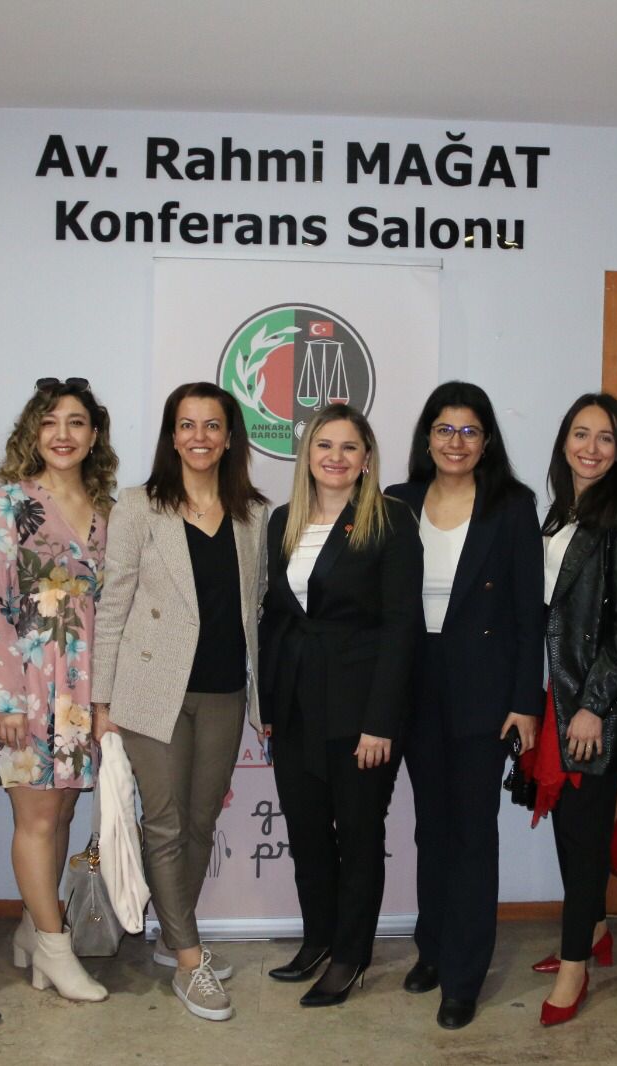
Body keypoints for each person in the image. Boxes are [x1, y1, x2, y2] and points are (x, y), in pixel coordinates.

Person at [92, 382, 269, 1022]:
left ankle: (173, 936)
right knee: (164, 824)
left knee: (199, 822)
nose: (200, 437)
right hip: (150, 690)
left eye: (212, 425)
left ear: (229, 437)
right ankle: (190, 961)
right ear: (172, 436)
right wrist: (101, 701)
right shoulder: (139, 506)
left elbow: (258, 606)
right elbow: (112, 604)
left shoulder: (253, 512)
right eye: (187, 425)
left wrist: (264, 697)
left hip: (225, 692)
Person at [384, 382, 542, 1030]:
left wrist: (525, 701)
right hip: (414, 681)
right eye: (445, 429)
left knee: (473, 832)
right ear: (427, 437)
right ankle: (433, 948)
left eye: (469, 430)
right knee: (431, 826)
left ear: (487, 440)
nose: (456, 442)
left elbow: (529, 611)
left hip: (484, 689)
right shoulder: (397, 502)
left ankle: (464, 975)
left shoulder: (513, 505)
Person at [259, 404, 423, 1008]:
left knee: (357, 835)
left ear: (367, 459)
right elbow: (276, 618)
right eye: (324, 445)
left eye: (349, 447)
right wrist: (269, 703)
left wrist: (380, 722)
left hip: (360, 711)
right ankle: (319, 939)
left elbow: (402, 626)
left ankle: (350, 956)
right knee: (306, 833)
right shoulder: (283, 521)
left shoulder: (390, 521)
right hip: (297, 704)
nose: (335, 457)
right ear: (307, 456)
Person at [0, 377, 116, 1004]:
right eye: (50, 421)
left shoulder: (108, 511)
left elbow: (113, 609)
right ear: (33, 432)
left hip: (82, 687)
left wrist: (105, 699)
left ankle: (35, 931)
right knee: (34, 818)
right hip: (25, 686)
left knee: (61, 814)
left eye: (76, 422)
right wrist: (1, 699)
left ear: (93, 435)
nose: (63, 434)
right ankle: (57, 951)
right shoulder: (11, 503)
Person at [525, 392, 617, 1027]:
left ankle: (575, 966)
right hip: (556, 695)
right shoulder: (560, 512)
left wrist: (594, 707)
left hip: (589, 704)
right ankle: (595, 929)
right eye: (581, 433)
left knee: (582, 837)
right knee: (567, 827)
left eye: (606, 438)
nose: (591, 448)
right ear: (564, 441)